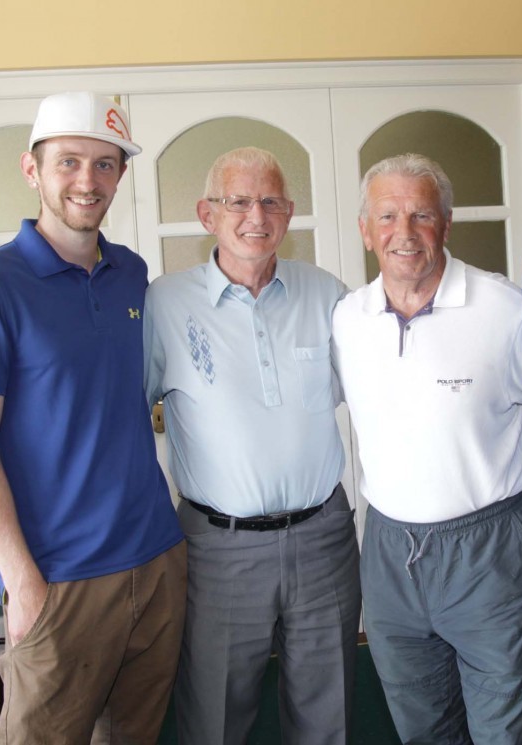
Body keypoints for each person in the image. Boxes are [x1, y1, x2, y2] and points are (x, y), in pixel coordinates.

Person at [0, 91, 186, 744]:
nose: (87, 180)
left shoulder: (131, 274)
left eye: (105, 165)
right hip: (60, 577)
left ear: (120, 176)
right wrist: (23, 583)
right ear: (31, 169)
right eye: (69, 161)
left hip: (154, 559)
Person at [143, 147, 361, 745]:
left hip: (323, 537)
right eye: (238, 201)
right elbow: (123, 414)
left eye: (270, 201)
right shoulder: (165, 303)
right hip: (219, 547)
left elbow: (379, 394)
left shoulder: (329, 293)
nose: (255, 216)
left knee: (330, 708)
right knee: (214, 712)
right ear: (207, 213)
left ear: (289, 213)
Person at [331, 153, 522, 744]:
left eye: (421, 215)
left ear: (446, 225)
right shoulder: (348, 319)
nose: (403, 234)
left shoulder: (504, 308)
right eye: (386, 216)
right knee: (423, 728)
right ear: (365, 230)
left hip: (488, 554)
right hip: (388, 555)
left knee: (508, 730)